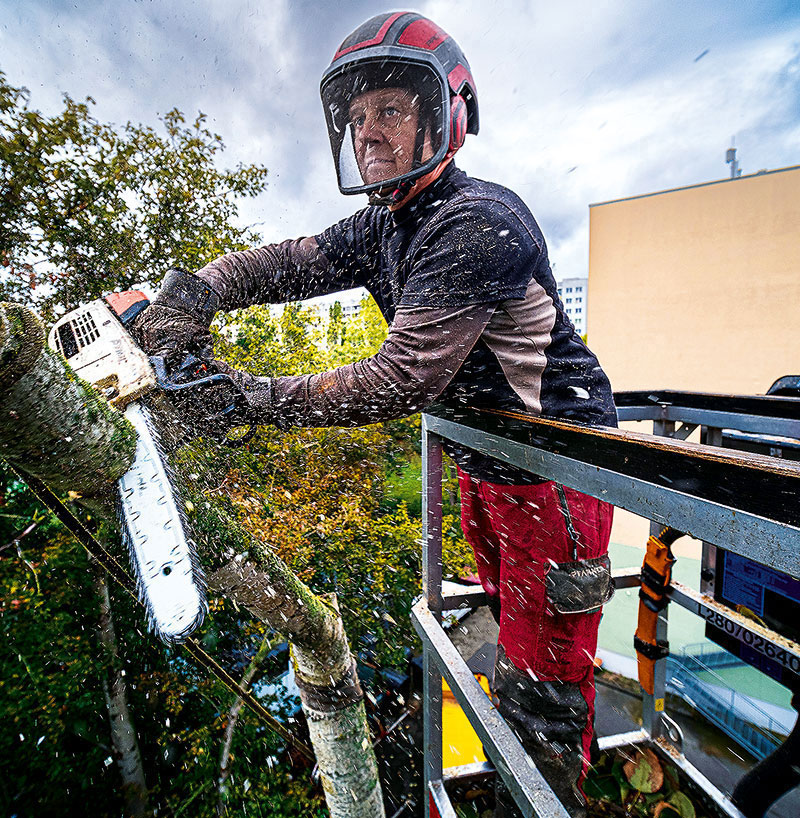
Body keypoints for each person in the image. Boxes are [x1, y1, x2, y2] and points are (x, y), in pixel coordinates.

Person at [133, 12, 616, 817]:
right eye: (356, 119)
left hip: (555, 471)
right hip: (488, 461)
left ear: (443, 115)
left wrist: (248, 398)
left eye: (388, 110)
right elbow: (286, 262)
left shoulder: (476, 222)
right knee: (508, 616)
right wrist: (199, 289)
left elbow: (402, 378)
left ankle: (543, 789)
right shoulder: (384, 224)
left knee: (548, 672)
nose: (367, 133)